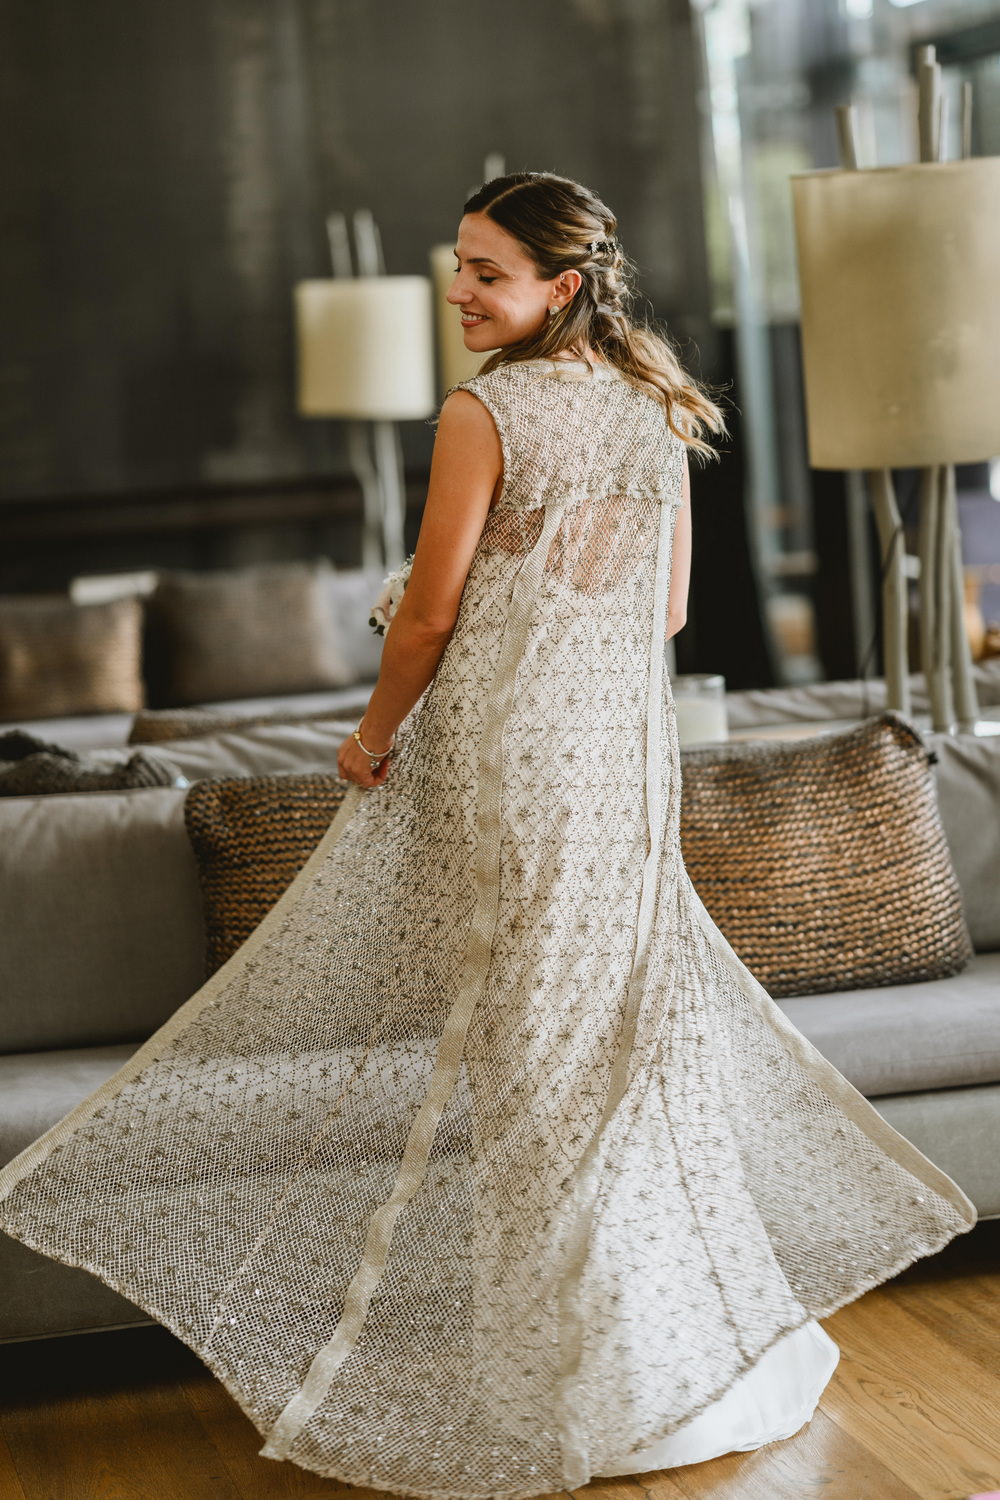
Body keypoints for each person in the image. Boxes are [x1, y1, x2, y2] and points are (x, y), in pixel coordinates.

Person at [0, 172, 977, 1498]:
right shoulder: (654, 401)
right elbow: (670, 606)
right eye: (456, 266)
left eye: (483, 272)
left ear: (561, 283)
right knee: (609, 1048)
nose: (457, 292)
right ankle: (663, 1355)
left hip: (516, 759)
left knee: (535, 1057)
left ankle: (577, 1372)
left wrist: (370, 736)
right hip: (621, 769)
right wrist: (538, 588)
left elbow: (426, 617)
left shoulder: (486, 409)